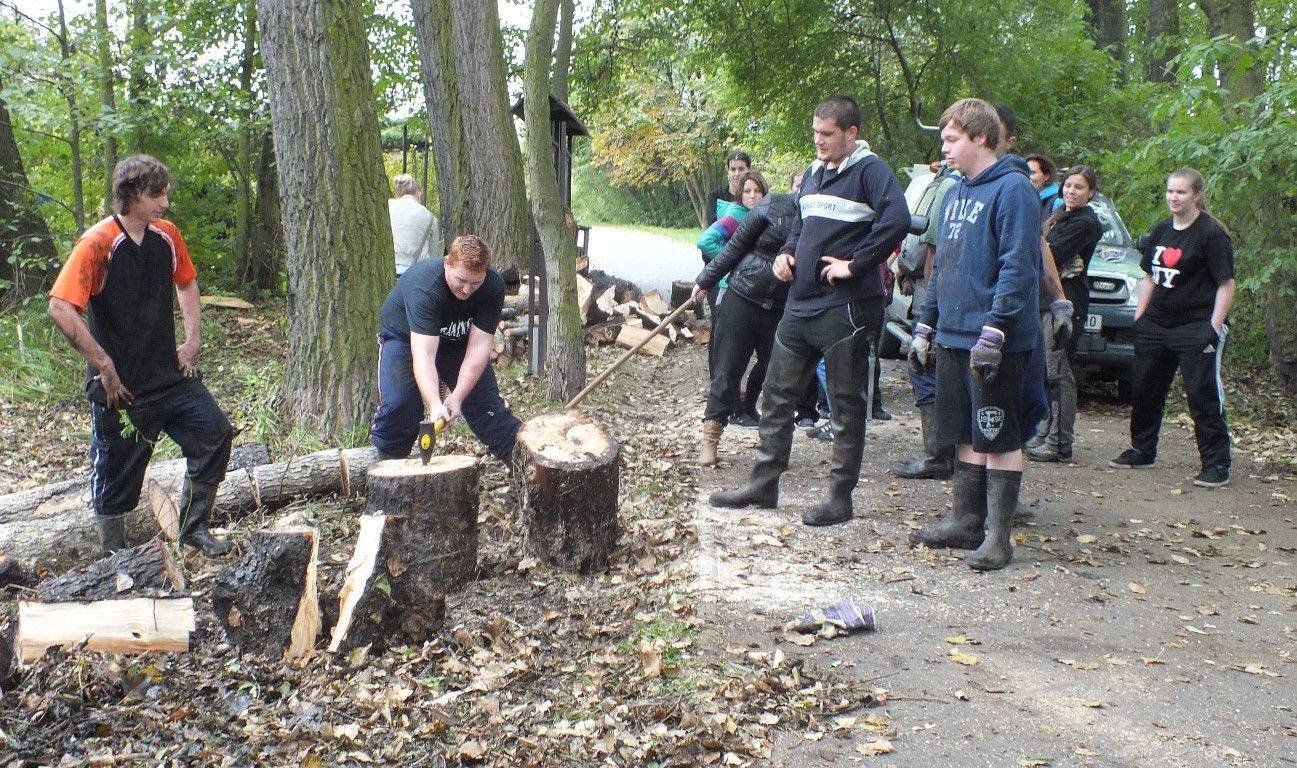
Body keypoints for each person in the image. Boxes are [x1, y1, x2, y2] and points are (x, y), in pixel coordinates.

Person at [708, 95, 909, 526]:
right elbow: (801, 223)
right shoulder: (816, 173)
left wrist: (856, 264)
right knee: (777, 395)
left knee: (844, 403)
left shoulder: (871, 172)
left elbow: (898, 220)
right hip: (799, 305)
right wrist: (785, 254)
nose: (818, 141)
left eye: (827, 134)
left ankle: (839, 498)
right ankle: (763, 485)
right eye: (815, 132)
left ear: (851, 134)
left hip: (847, 307)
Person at [48, 155, 234, 557]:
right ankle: (114, 557)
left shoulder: (166, 235)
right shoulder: (98, 244)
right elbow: (61, 307)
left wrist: (192, 341)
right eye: (156, 194)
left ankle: (193, 529)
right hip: (123, 390)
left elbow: (186, 283)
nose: (165, 202)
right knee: (116, 476)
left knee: (214, 434)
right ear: (131, 195)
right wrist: (104, 365)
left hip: (169, 376)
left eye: (166, 192)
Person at [907, 98, 1041, 571]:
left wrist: (996, 328)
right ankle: (966, 521)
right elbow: (942, 262)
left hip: (995, 340)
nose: (943, 149)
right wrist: (926, 323)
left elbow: (1019, 265)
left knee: (998, 435)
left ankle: (998, 538)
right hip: (952, 335)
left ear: (980, 138)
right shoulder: (956, 191)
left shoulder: (1013, 190)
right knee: (963, 429)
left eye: (951, 139)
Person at [1109, 168, 1235, 488]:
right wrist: (1139, 317)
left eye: (1181, 192)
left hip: (1197, 326)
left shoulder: (1211, 234)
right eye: (1170, 192)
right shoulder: (1162, 229)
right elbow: (1150, 275)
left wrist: (1213, 326)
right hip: (1156, 324)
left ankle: (1216, 463)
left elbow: (1226, 283)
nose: (1174, 198)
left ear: (1197, 195)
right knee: (1145, 388)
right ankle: (1142, 449)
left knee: (1202, 394)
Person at [370, 234, 521, 463]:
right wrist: (434, 403)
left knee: (488, 409)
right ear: (447, 263)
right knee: (401, 406)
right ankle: (386, 469)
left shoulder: (492, 287)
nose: (467, 290)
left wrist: (457, 397)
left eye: (475, 283)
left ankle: (530, 473)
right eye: (461, 280)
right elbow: (424, 354)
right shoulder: (426, 286)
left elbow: (479, 347)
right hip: (405, 339)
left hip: (457, 343)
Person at [692, 172, 793, 464]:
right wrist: (706, 280)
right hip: (743, 296)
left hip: (780, 305)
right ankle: (710, 439)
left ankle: (773, 448)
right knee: (726, 371)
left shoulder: (817, 221)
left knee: (779, 375)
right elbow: (733, 248)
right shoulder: (771, 207)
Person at [1027, 165, 1103, 462]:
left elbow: (1048, 252)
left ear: (1091, 193)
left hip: (1067, 302)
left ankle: (1060, 442)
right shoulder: (1061, 216)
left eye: (1079, 187)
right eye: (1069, 185)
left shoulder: (1085, 222)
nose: (1072, 191)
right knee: (1046, 371)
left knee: (1059, 372)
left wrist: (1042, 245)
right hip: (1045, 300)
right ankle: (1046, 431)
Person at [890, 162, 959, 479]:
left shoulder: (947, 188)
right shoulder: (943, 183)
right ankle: (942, 454)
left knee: (925, 368)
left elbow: (927, 250)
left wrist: (904, 268)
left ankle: (938, 456)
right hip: (938, 297)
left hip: (934, 298)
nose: (945, 151)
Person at [389, 174, 439, 275]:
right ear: (419, 194)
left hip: (387, 269)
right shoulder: (430, 217)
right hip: (416, 273)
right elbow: (433, 255)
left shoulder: (387, 206)